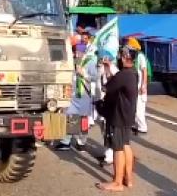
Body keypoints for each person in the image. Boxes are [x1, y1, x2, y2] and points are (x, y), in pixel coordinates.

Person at [95, 47, 138, 192]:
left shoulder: (124, 74)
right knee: (126, 145)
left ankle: (117, 182)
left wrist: (106, 73)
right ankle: (129, 179)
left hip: (119, 116)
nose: (119, 58)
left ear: (125, 58)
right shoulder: (132, 73)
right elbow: (115, 83)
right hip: (127, 115)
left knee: (118, 148)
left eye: (121, 56)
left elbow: (107, 87)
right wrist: (108, 70)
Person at [55, 32, 99, 151]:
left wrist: (84, 74)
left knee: (83, 119)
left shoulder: (90, 62)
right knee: (71, 117)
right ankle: (66, 141)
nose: (76, 54)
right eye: (75, 51)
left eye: (79, 52)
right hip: (72, 95)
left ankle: (81, 142)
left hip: (84, 95)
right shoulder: (71, 62)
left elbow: (95, 77)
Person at [126, 37, 148, 135]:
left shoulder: (140, 56)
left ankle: (142, 128)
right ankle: (137, 125)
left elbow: (144, 71)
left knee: (139, 108)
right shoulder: (134, 56)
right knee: (134, 107)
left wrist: (143, 85)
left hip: (140, 86)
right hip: (135, 85)